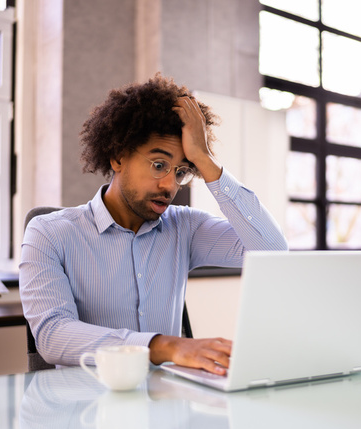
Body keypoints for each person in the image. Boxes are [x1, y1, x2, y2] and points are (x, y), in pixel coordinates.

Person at [19, 75, 288, 376]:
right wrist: (165, 347)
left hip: (167, 403)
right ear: (118, 157)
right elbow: (53, 336)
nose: (169, 185)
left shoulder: (185, 227)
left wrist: (206, 159)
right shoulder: (49, 233)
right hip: (85, 406)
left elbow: (272, 250)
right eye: (159, 165)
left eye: (181, 171)